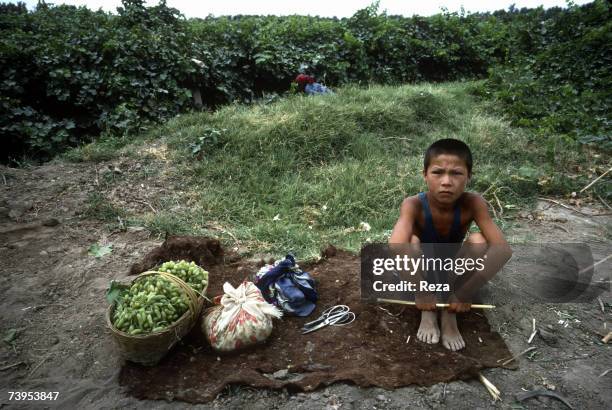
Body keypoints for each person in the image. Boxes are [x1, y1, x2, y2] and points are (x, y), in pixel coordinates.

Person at [389, 138, 512, 351]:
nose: (446, 181)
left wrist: (465, 292)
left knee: (478, 241)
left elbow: (503, 251)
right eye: (438, 172)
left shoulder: (473, 203)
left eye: (456, 173)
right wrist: (421, 292)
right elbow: (397, 246)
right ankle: (428, 309)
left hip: (452, 271)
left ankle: (448, 311)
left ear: (469, 176)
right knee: (411, 242)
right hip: (421, 272)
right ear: (425, 175)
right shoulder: (413, 204)